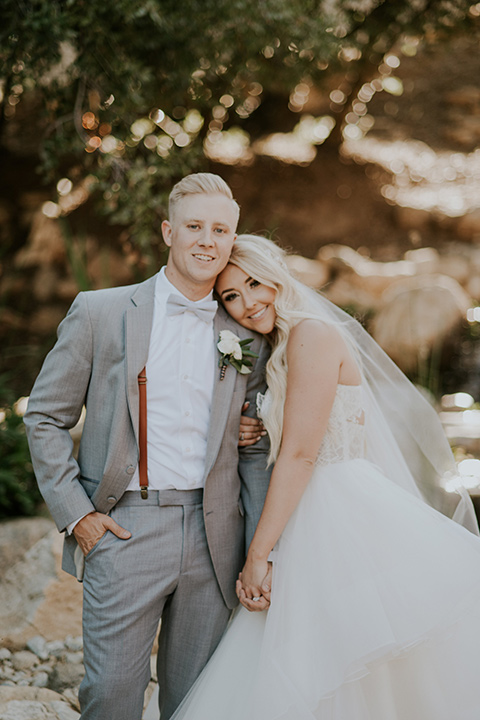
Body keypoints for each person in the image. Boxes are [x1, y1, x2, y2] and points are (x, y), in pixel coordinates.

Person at [165, 233, 480, 720]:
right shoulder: (282, 346)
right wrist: (256, 425)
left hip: (336, 510)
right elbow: (295, 430)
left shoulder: (311, 334)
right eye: (231, 295)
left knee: (348, 659)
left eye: (254, 284)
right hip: (310, 506)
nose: (247, 304)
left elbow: (301, 455)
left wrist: (257, 556)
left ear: (277, 277)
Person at [23, 175, 272, 720]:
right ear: (168, 231)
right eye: (195, 227)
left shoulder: (247, 333)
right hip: (125, 530)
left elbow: (251, 449)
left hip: (215, 536)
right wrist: (78, 517)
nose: (208, 240)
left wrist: (258, 549)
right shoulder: (101, 312)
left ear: (233, 241)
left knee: (199, 703)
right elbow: (44, 416)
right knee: (110, 698)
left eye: (221, 230)